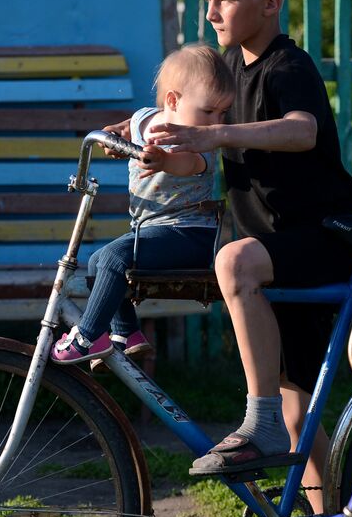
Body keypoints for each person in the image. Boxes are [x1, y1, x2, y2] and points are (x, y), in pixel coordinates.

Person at [142, 0, 352, 514]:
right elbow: (188, 117)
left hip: (318, 239)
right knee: (300, 409)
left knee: (234, 260)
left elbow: (301, 130)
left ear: (269, 3)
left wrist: (216, 136)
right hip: (273, 251)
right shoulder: (228, 72)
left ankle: (254, 422)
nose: (210, 13)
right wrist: (153, 135)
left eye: (223, 0)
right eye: (207, 0)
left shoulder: (289, 65)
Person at [52, 45, 234, 364]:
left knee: (112, 256)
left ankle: (87, 335)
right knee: (98, 261)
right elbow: (128, 127)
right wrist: (113, 135)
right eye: (209, 112)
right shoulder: (144, 119)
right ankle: (126, 332)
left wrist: (165, 160)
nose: (215, 122)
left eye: (223, 113)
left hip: (191, 237)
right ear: (173, 101)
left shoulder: (199, 145)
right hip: (150, 232)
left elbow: (188, 164)